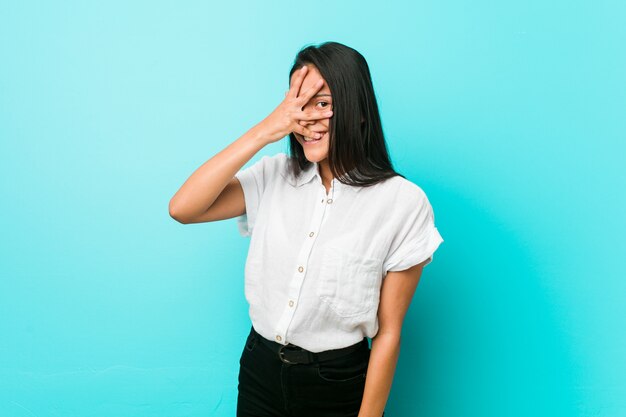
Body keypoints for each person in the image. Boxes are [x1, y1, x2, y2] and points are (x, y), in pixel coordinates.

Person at [169, 41, 444, 417]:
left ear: (358, 111)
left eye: (323, 103)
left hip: (335, 384)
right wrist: (266, 129)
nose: (307, 120)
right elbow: (183, 209)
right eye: (298, 104)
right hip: (259, 369)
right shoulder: (273, 176)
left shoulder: (402, 202)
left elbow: (389, 332)